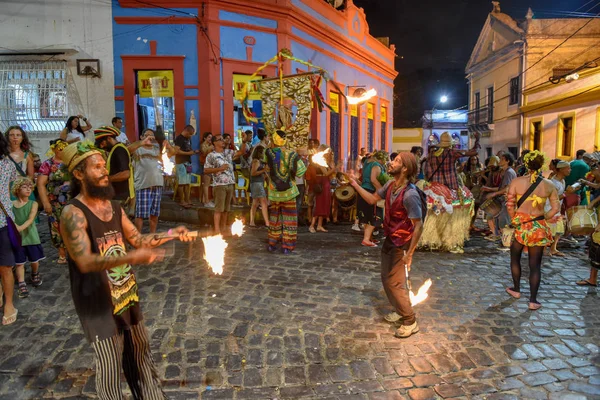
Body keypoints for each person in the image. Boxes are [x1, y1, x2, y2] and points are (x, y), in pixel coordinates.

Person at [59, 141, 192, 399]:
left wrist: (171, 234)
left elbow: (139, 240)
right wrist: (134, 257)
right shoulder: (73, 213)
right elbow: (84, 261)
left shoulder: (115, 207)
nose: (104, 171)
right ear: (78, 174)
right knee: (110, 363)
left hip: (126, 293)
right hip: (97, 301)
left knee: (141, 352)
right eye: (96, 167)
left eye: (103, 165)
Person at [350, 152, 424, 338]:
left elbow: (419, 225)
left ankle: (410, 320)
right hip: (391, 238)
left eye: (397, 161)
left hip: (403, 243)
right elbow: (372, 199)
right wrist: (354, 184)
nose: (391, 163)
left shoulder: (410, 195)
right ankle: (400, 311)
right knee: (386, 278)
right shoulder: (391, 185)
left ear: (405, 168)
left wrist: (410, 253)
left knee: (395, 282)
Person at [506, 150, 559, 310]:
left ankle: (516, 290)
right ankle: (533, 300)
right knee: (535, 265)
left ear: (526, 164)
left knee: (515, 258)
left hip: (521, 227)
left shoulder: (516, 182)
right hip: (539, 227)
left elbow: (509, 205)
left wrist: (516, 218)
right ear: (541, 165)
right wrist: (545, 216)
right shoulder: (549, 185)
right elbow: (556, 208)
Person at [420, 131, 479, 253]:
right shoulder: (451, 153)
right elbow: (473, 152)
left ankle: (433, 240)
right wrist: (477, 140)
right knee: (461, 207)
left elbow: (427, 171)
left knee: (434, 214)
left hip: (434, 189)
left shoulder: (431, 154)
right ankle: (452, 241)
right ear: (450, 144)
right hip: (450, 188)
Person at [265, 130, 306, 254]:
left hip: (274, 192)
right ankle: (286, 246)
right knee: (290, 219)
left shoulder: (268, 153)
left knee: (275, 218)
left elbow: (266, 168)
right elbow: (301, 171)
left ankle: (272, 243)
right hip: (289, 192)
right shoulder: (292, 155)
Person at [37, 139, 71, 264]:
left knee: (73, 225)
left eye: (65, 148)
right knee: (56, 226)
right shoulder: (48, 164)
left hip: (72, 199)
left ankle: (75, 252)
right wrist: (45, 203)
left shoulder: (71, 162)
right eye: (60, 148)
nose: (62, 150)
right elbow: (40, 184)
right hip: (55, 201)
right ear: (54, 149)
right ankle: (62, 253)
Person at [12, 177, 45, 298]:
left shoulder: (33, 203)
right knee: (19, 262)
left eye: (30, 187)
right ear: (17, 189)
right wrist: (15, 227)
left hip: (30, 236)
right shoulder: (12, 205)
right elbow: (11, 218)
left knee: (34, 260)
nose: (28, 189)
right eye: (24, 187)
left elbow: (31, 218)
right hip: (18, 239)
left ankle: (35, 273)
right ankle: (21, 282)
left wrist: (19, 228)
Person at [129, 129, 164, 233]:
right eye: (146, 135)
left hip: (157, 184)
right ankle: (138, 238)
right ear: (141, 137)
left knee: (154, 214)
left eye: (151, 136)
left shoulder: (157, 150)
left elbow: (172, 152)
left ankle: (152, 236)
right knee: (140, 214)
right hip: (143, 185)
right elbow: (127, 150)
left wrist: (163, 141)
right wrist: (142, 143)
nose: (149, 137)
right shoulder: (138, 149)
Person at [0, 132, 19, 325]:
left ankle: (9, 304)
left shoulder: (5, 164)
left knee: (5, 265)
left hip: (2, 221)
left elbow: (12, 182)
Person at [204, 134, 237, 234]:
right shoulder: (211, 155)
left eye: (223, 139)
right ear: (214, 142)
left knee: (226, 209)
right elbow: (206, 170)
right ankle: (217, 230)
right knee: (219, 209)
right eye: (220, 140)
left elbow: (241, 152)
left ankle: (223, 228)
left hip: (230, 183)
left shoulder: (227, 153)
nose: (223, 141)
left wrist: (243, 142)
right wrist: (219, 169)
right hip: (219, 184)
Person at [94, 126, 134, 203]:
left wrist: (106, 179)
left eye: (102, 143)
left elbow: (126, 174)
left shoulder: (119, 150)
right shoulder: (114, 150)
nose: (102, 146)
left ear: (109, 138)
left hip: (120, 197)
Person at [355, 152, 384, 246]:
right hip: (371, 191)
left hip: (364, 190)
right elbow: (373, 180)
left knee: (367, 215)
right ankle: (366, 239)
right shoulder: (376, 165)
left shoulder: (367, 162)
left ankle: (369, 238)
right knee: (375, 215)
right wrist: (382, 190)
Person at [545, 160, 571, 257]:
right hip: (550, 208)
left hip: (556, 208)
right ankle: (544, 249)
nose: (570, 170)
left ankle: (553, 249)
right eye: (568, 168)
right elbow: (553, 198)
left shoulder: (562, 181)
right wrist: (566, 194)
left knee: (558, 230)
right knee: (548, 230)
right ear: (561, 169)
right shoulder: (553, 182)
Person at [309, 145, 335, 234]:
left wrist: (332, 164)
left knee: (324, 204)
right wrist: (335, 167)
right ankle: (312, 225)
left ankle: (319, 225)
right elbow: (326, 173)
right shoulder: (319, 160)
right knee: (319, 204)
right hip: (321, 182)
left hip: (326, 182)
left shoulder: (326, 161)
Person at [249, 146, 269, 228]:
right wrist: (263, 170)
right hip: (256, 183)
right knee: (263, 202)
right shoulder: (256, 161)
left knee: (255, 203)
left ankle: (252, 221)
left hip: (258, 183)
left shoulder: (259, 161)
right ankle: (267, 222)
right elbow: (253, 173)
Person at [199, 132, 214, 207]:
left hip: (211, 166)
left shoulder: (210, 145)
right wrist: (210, 148)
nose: (210, 139)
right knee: (206, 184)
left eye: (211, 137)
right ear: (205, 138)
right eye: (209, 137)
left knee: (208, 184)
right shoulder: (203, 145)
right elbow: (204, 153)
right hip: (205, 166)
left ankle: (204, 200)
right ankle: (206, 201)